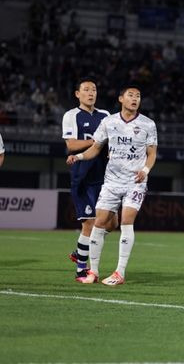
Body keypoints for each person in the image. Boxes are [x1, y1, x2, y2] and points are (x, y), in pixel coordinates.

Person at [66, 85, 157, 286]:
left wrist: (145, 171)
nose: (135, 99)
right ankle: (94, 272)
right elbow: (96, 148)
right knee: (99, 223)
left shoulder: (148, 124)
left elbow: (152, 154)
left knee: (126, 221)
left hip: (135, 181)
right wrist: (78, 156)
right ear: (121, 99)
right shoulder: (109, 121)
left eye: (138, 96)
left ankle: (119, 272)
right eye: (131, 95)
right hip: (111, 181)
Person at [61, 78, 112, 282]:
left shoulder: (105, 115)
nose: (91, 93)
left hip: (103, 177)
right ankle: (82, 269)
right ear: (77, 94)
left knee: (110, 222)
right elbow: (71, 145)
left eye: (94, 89)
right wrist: (96, 142)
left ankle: (79, 252)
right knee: (90, 223)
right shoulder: (71, 115)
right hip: (82, 176)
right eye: (86, 90)